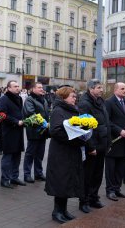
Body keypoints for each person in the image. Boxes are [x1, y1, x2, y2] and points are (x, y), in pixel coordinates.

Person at [45, 86, 84, 224]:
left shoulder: (73, 110)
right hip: (60, 152)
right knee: (60, 181)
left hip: (71, 151)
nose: (75, 98)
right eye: (72, 96)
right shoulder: (58, 110)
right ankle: (57, 211)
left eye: (75, 96)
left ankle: (64, 210)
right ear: (63, 97)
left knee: (68, 181)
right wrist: (74, 139)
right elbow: (55, 131)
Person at [77, 79, 110, 213]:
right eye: (98, 87)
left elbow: (106, 123)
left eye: (101, 87)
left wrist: (108, 143)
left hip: (102, 144)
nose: (101, 90)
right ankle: (83, 201)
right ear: (91, 89)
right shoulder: (85, 103)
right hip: (92, 146)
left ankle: (93, 197)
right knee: (88, 175)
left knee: (97, 174)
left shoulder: (100, 101)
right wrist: (90, 147)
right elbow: (85, 128)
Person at [105, 82, 125, 201]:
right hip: (113, 140)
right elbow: (107, 120)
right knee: (111, 168)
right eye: (122, 89)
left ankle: (117, 189)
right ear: (115, 90)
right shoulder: (109, 102)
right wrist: (119, 130)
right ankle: (110, 190)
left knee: (120, 168)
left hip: (124, 141)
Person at [0, 80, 25, 189]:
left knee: (17, 155)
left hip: (18, 131)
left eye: (18, 86)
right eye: (15, 86)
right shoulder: (3, 99)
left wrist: (24, 120)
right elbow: (1, 114)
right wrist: (16, 121)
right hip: (8, 131)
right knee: (7, 157)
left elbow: (20, 112)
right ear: (8, 88)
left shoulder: (19, 98)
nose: (18, 88)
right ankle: (4, 179)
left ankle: (14, 177)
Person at [23, 82, 49, 184]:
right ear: (33, 89)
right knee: (30, 153)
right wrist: (44, 123)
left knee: (40, 153)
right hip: (34, 131)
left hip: (43, 131)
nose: (41, 89)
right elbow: (31, 114)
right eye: (39, 87)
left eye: (42, 87)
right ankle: (27, 174)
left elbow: (46, 113)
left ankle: (38, 173)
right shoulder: (29, 99)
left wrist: (48, 122)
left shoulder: (43, 99)